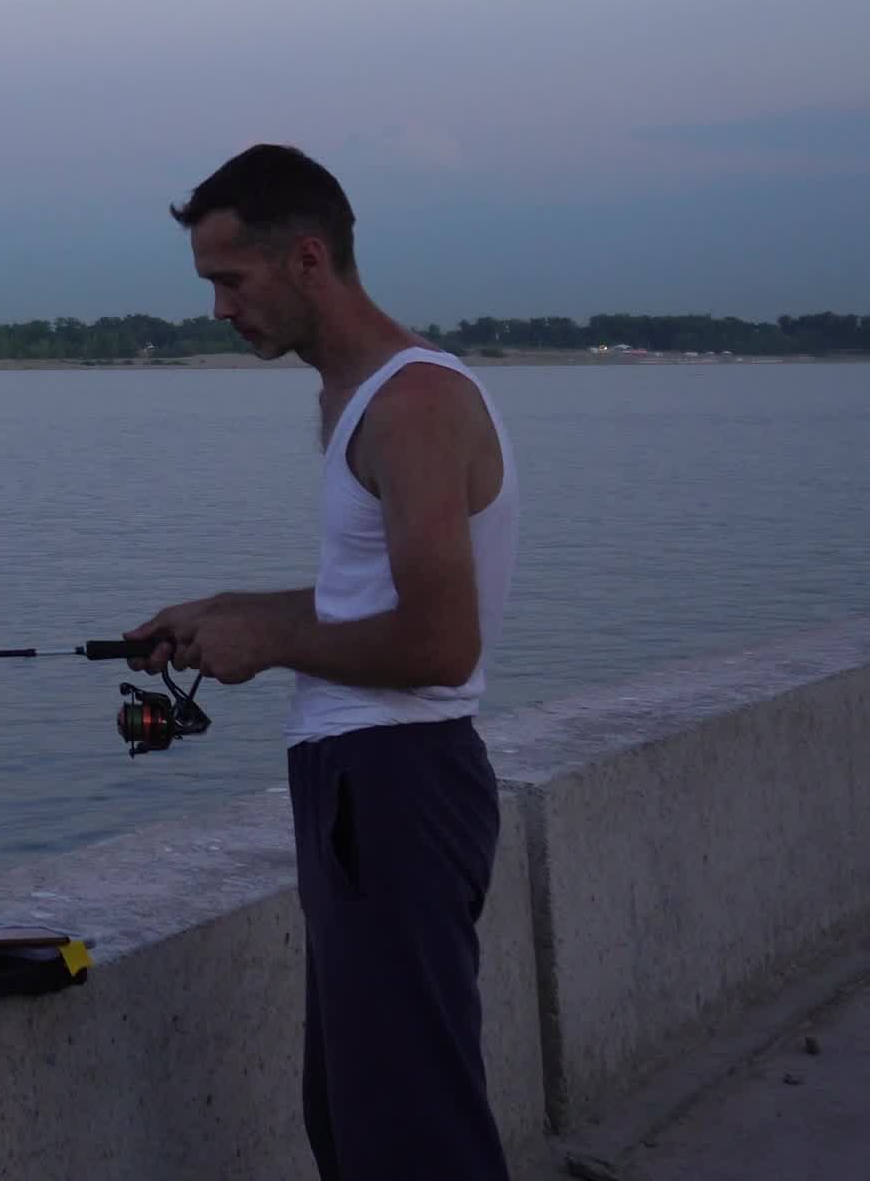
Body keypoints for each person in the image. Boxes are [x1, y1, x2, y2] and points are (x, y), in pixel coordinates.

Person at [123, 144, 515, 1181]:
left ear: (306, 260)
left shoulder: (412, 405)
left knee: (411, 1132)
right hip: (362, 786)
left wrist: (272, 642)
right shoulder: (357, 399)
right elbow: (372, 601)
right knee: (352, 1118)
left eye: (229, 282)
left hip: (397, 784)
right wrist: (230, 612)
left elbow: (440, 645)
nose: (219, 310)